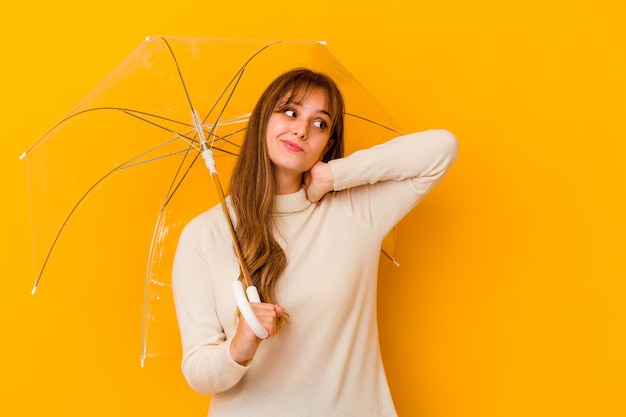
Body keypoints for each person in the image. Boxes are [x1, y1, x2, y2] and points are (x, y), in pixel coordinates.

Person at [172, 68, 458, 416]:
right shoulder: (206, 235)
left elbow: (442, 148)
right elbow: (198, 372)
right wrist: (240, 346)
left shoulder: (355, 211)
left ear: (329, 141)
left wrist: (335, 175)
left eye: (320, 123)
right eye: (290, 111)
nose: (301, 129)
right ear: (264, 118)